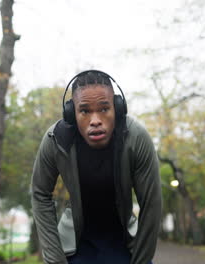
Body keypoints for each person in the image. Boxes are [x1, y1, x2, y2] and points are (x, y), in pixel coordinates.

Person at [31, 70, 162, 264]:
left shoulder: (135, 137)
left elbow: (151, 204)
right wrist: (55, 260)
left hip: (124, 242)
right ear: (71, 113)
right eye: (84, 111)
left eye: (104, 109)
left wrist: (141, 262)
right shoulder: (55, 140)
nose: (95, 120)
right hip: (77, 244)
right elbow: (40, 193)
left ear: (117, 109)